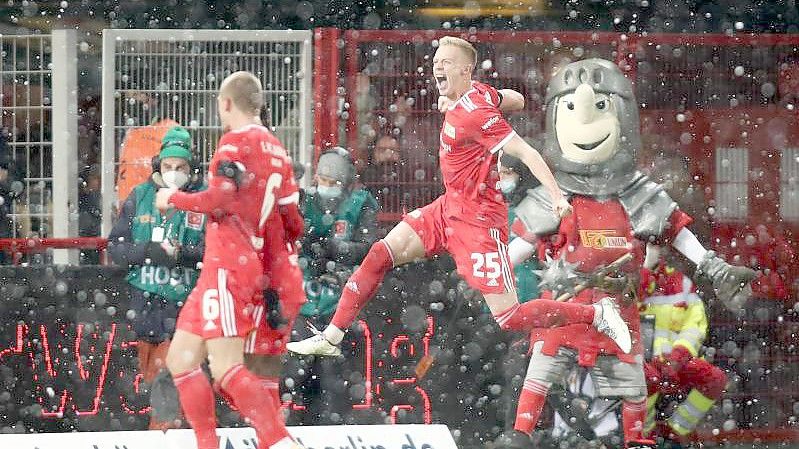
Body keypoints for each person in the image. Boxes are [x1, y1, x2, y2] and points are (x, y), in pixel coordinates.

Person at [288, 37, 631, 366]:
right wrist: (493, 99)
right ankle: (332, 337)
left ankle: (596, 314)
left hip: (479, 223)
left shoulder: (475, 113)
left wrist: (557, 196)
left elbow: (526, 152)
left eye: (446, 63)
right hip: (448, 207)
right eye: (436, 62)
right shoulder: (476, 96)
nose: (438, 68)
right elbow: (516, 99)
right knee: (380, 253)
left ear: (465, 71)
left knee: (509, 317)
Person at [506, 58, 752, 449]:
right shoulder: (551, 197)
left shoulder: (639, 195)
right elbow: (516, 249)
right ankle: (521, 435)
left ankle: (639, 441)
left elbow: (674, 228)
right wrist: (490, 269)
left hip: (618, 311)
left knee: (631, 386)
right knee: (543, 371)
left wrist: (711, 264)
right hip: (564, 311)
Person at [156, 71, 302, 449]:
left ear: (225, 104)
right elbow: (294, 221)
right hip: (242, 264)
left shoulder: (233, 144)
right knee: (181, 359)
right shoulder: (277, 149)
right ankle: (210, 443)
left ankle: (277, 440)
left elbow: (218, 199)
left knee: (226, 368)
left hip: (227, 263)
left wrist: (172, 199)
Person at [108, 126, 206, 430]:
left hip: (186, 309)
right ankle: (168, 429)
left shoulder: (203, 201)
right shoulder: (139, 197)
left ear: (191, 168)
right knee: (154, 380)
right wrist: (150, 251)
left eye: (180, 167)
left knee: (173, 379)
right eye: (168, 166)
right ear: (158, 166)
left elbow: (215, 249)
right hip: (146, 306)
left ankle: (168, 432)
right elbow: (116, 247)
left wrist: (182, 255)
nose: (174, 173)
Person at [286, 146, 380, 424]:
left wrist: (332, 250)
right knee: (295, 374)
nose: (325, 187)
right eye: (322, 181)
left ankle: (333, 427)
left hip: (340, 303)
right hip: (304, 301)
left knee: (333, 381)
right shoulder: (303, 200)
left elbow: (367, 248)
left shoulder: (360, 203)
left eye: (333, 183)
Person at [639, 249, 727, 445]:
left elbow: (695, 327)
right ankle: (644, 437)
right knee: (647, 381)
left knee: (715, 379)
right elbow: (623, 308)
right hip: (639, 362)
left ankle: (676, 430)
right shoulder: (626, 280)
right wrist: (644, 271)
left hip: (673, 361)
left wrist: (676, 358)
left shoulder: (682, 283)